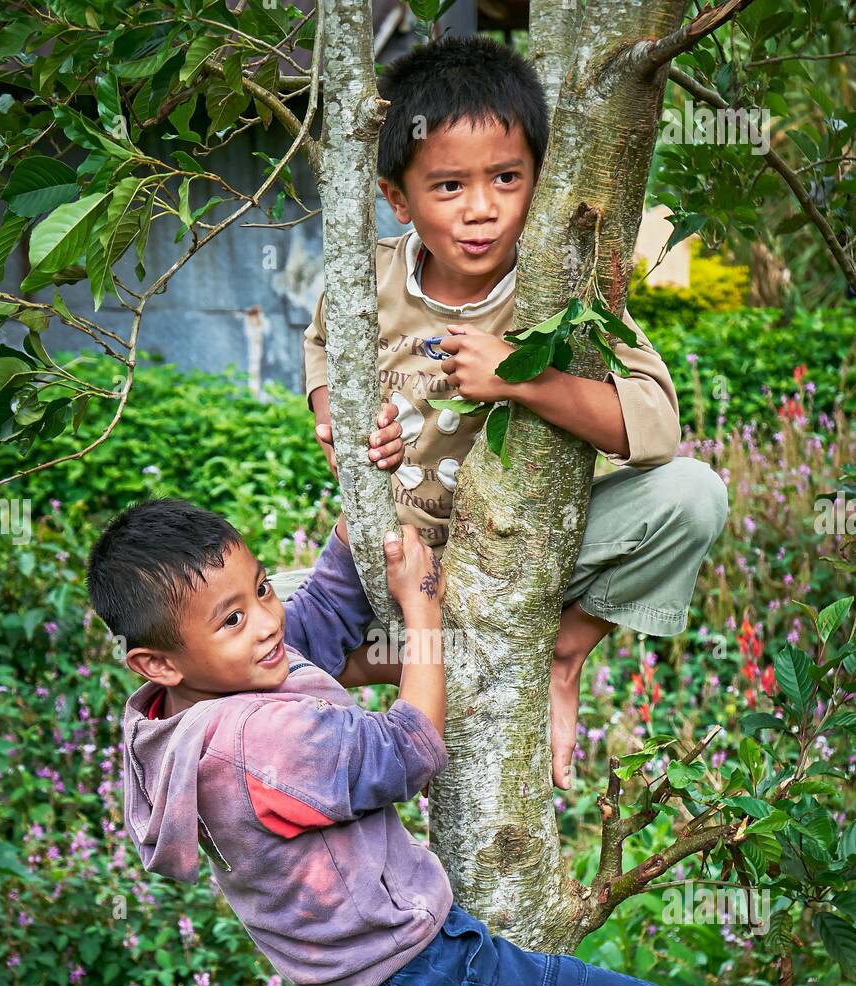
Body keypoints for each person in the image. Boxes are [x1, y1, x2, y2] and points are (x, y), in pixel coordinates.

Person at [88, 498, 708, 986]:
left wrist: (360, 512)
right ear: (157, 663)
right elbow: (409, 750)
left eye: (263, 590)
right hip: (425, 980)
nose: (268, 623)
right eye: (233, 619)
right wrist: (422, 611)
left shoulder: (175, 712)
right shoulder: (259, 740)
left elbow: (320, 613)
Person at [300, 34, 729, 792]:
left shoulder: (562, 293)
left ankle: (561, 652)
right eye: (447, 186)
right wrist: (337, 421)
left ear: (541, 180)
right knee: (234, 636)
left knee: (695, 494)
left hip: (528, 554)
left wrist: (523, 379)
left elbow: (655, 426)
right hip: (398, 554)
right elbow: (323, 342)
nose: (482, 210)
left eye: (506, 178)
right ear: (397, 199)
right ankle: (407, 657)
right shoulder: (367, 279)